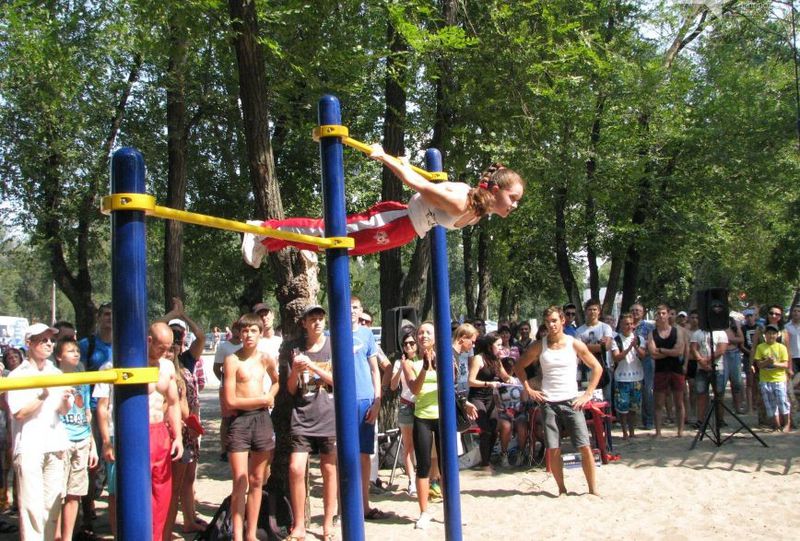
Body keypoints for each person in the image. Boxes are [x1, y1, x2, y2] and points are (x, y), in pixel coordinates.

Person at [242, 148, 525, 266]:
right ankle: (263, 230)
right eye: (513, 198)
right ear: (496, 190)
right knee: (330, 231)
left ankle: (271, 241)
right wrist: (385, 157)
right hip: (394, 219)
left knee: (339, 245)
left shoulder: (475, 213)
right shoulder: (462, 201)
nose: (514, 206)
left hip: (404, 231)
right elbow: (417, 184)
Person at [514, 306, 602, 496]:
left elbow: (597, 367)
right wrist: (529, 389)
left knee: (584, 446)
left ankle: (592, 489)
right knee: (553, 448)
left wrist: (587, 394)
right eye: (548, 322)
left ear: (562, 320)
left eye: (554, 320)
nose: (551, 325)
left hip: (571, 400)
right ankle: (561, 489)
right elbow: (519, 366)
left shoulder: (574, 343)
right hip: (548, 401)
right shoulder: (539, 345)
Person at [400, 322, 476, 529]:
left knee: (447, 465)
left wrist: (464, 402)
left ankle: (453, 511)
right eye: (420, 332)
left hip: (443, 417)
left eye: (428, 332)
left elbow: (450, 382)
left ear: (436, 337)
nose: (423, 336)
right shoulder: (409, 362)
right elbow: (415, 389)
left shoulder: (445, 357)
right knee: (423, 466)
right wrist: (425, 367)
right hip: (422, 417)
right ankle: (424, 512)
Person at [6, 323, 72, 540]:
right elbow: (19, 413)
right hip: (30, 448)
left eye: (51, 340)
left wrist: (65, 400)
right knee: (31, 508)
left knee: (52, 507)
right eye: (43, 340)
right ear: (29, 343)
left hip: (55, 444)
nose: (49, 344)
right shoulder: (17, 375)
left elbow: (62, 410)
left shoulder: (56, 372)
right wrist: (42, 395)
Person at [221, 313, 279, 541]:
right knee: (240, 480)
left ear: (260, 333)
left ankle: (251, 533)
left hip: (262, 421)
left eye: (253, 330)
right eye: (245, 331)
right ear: (239, 333)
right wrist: (263, 400)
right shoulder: (232, 360)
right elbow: (231, 400)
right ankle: (237, 535)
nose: (248, 335)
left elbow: (276, 381)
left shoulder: (265, 358)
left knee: (257, 480)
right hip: (240, 422)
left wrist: (270, 395)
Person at [284, 305, 337, 541]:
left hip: (328, 416)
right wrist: (295, 371)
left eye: (320, 318)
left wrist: (313, 366)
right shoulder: (294, 350)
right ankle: (299, 525)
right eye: (312, 319)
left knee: (328, 469)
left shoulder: (333, 347)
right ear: (303, 323)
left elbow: (338, 380)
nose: (317, 322)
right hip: (302, 417)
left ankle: (327, 523)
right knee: (296, 468)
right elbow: (290, 388)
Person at [348, 296, 389, 520]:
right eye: (348, 307)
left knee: (364, 455)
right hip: (343, 400)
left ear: (360, 310)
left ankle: (364, 505)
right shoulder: (333, 334)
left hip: (365, 399)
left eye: (355, 307)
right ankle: (341, 508)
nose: (351, 311)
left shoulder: (367, 335)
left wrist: (377, 399)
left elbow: (376, 370)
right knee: (342, 455)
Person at [55, 337, 99, 541]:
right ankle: (54, 536)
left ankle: (67, 537)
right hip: (61, 441)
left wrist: (93, 446)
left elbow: (87, 412)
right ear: (58, 356)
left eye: (77, 351)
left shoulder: (83, 379)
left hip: (82, 439)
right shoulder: (53, 378)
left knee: (75, 494)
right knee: (58, 494)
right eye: (70, 351)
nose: (76, 354)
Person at [77, 302, 113, 535]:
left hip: (116, 411)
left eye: (114, 315)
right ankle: (88, 511)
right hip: (91, 411)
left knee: (112, 466)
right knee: (92, 464)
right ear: (99, 318)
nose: (110, 319)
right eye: (107, 314)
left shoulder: (125, 344)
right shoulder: (87, 345)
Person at [147, 322, 184, 541]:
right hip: (134, 433)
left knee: (162, 490)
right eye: (162, 347)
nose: (166, 352)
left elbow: (173, 403)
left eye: (169, 347)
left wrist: (177, 436)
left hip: (159, 430)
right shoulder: (129, 363)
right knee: (136, 488)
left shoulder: (167, 367)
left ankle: (158, 537)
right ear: (149, 341)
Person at [468, 332, 512, 470]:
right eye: (498, 345)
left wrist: (513, 378)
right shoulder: (478, 359)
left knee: (493, 429)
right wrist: (488, 384)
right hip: (477, 398)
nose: (500, 348)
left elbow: (505, 377)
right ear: (489, 346)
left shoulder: (496, 360)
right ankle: (485, 464)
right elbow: (471, 381)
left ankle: (487, 459)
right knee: (485, 429)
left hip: (489, 398)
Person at [647, 304, 688, 438]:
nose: (661, 316)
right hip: (660, 370)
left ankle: (680, 430)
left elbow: (679, 351)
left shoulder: (678, 331)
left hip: (676, 369)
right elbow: (652, 353)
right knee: (658, 403)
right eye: (659, 313)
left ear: (669, 314)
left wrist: (662, 350)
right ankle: (658, 431)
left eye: (664, 313)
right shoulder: (652, 334)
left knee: (679, 401)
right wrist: (670, 352)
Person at [390, 329, 422, 496]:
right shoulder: (399, 362)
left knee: (424, 444)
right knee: (408, 445)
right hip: (406, 405)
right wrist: (401, 368)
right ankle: (411, 481)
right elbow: (393, 386)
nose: (408, 346)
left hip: (423, 406)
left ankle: (427, 478)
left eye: (411, 343)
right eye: (405, 344)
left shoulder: (423, 360)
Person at [611, 313, 645, 440]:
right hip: (622, 378)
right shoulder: (616, 340)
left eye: (631, 324)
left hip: (637, 377)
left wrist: (635, 346)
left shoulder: (640, 339)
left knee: (634, 407)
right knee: (622, 408)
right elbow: (616, 357)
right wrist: (629, 347)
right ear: (621, 325)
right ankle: (624, 432)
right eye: (626, 324)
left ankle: (632, 432)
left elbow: (643, 355)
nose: (629, 326)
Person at [753, 324, 791, 432]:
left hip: (779, 379)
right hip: (765, 379)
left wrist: (773, 363)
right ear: (765, 335)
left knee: (782, 401)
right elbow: (759, 365)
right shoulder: (761, 347)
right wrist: (766, 362)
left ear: (777, 335)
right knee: (770, 404)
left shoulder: (781, 347)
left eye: (773, 333)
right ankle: (777, 425)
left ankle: (787, 424)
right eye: (769, 333)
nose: (771, 335)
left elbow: (785, 365)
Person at [575, 299, 613, 398]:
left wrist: (584, 346)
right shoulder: (579, 330)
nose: (592, 312)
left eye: (595, 309)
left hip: (603, 366)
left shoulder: (605, 327)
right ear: (585, 311)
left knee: (605, 398)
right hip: (585, 369)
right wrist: (599, 346)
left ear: (599, 311)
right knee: (587, 398)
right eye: (590, 309)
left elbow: (607, 346)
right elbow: (578, 350)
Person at [630, 303, 655, 429]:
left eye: (638, 310)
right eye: (633, 310)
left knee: (647, 391)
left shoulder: (650, 326)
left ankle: (648, 420)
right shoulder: (626, 325)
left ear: (643, 312)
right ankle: (632, 422)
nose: (635, 312)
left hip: (646, 360)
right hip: (630, 361)